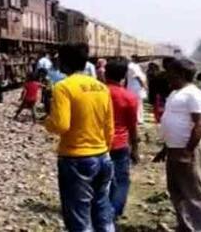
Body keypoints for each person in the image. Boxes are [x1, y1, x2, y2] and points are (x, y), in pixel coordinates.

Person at [43, 43, 115, 232]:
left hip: (76, 157)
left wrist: (46, 122)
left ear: (64, 62)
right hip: (102, 155)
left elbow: (60, 125)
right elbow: (109, 126)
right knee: (102, 209)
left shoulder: (63, 87)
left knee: (79, 216)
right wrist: (104, 149)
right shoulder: (101, 87)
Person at [158, 59, 201, 231]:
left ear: (181, 74)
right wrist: (165, 148)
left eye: (170, 72)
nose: (167, 76)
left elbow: (200, 125)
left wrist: (188, 151)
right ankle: (185, 226)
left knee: (194, 192)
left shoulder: (193, 94)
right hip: (175, 149)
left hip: (187, 149)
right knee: (176, 191)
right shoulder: (176, 93)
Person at [105, 59, 139, 219]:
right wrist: (135, 149)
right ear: (125, 75)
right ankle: (114, 211)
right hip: (119, 144)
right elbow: (132, 126)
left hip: (98, 144)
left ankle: (100, 210)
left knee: (100, 180)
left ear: (105, 73)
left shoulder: (98, 93)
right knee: (121, 180)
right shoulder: (129, 97)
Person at [126, 55, 148, 125]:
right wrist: (144, 85)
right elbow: (138, 76)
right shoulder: (132, 66)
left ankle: (137, 118)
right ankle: (138, 119)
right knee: (138, 103)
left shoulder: (134, 66)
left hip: (134, 86)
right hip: (136, 87)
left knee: (138, 103)